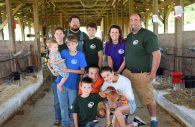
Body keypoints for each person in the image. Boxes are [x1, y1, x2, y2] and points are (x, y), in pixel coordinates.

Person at [123, 13, 161, 127]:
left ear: (141, 21)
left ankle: (154, 120)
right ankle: (125, 115)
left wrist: (153, 73)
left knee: (148, 99)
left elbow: (157, 54)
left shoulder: (148, 35)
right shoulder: (129, 37)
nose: (133, 22)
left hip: (141, 74)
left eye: (136, 20)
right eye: (131, 20)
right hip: (128, 72)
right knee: (124, 96)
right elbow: (127, 56)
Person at [56, 34, 87, 127]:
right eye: (69, 44)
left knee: (72, 106)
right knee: (63, 107)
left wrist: (68, 70)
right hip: (61, 83)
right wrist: (54, 70)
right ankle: (65, 124)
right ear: (67, 45)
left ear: (77, 44)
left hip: (73, 85)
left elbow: (82, 71)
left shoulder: (80, 55)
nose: (71, 46)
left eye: (73, 44)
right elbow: (56, 63)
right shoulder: (63, 53)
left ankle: (75, 123)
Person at [47, 27, 67, 126]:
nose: (59, 35)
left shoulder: (67, 47)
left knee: (67, 98)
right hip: (55, 78)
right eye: (57, 33)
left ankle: (66, 118)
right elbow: (49, 63)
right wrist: (52, 71)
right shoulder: (51, 48)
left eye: (60, 33)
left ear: (63, 35)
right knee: (57, 100)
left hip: (66, 76)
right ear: (54, 35)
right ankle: (57, 118)